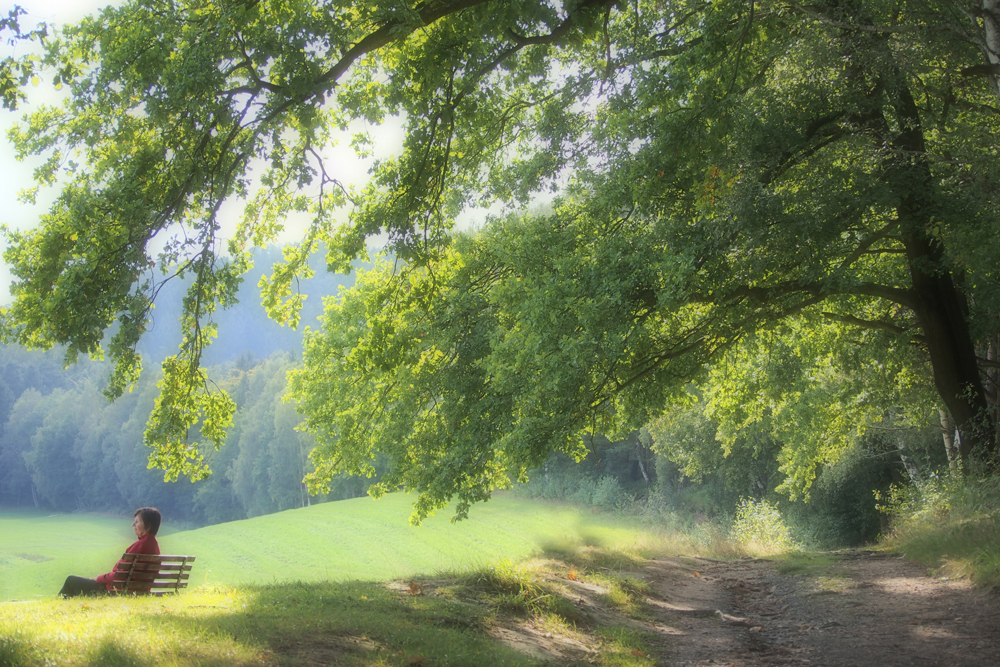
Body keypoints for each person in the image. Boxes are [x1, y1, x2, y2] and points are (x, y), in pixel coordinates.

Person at [58, 507, 161, 598]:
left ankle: (57, 607)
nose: (133, 524)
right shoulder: (154, 547)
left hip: (114, 591)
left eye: (137, 522)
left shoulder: (140, 545)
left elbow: (120, 575)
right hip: (135, 592)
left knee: (71, 581)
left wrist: (98, 578)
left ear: (148, 526)